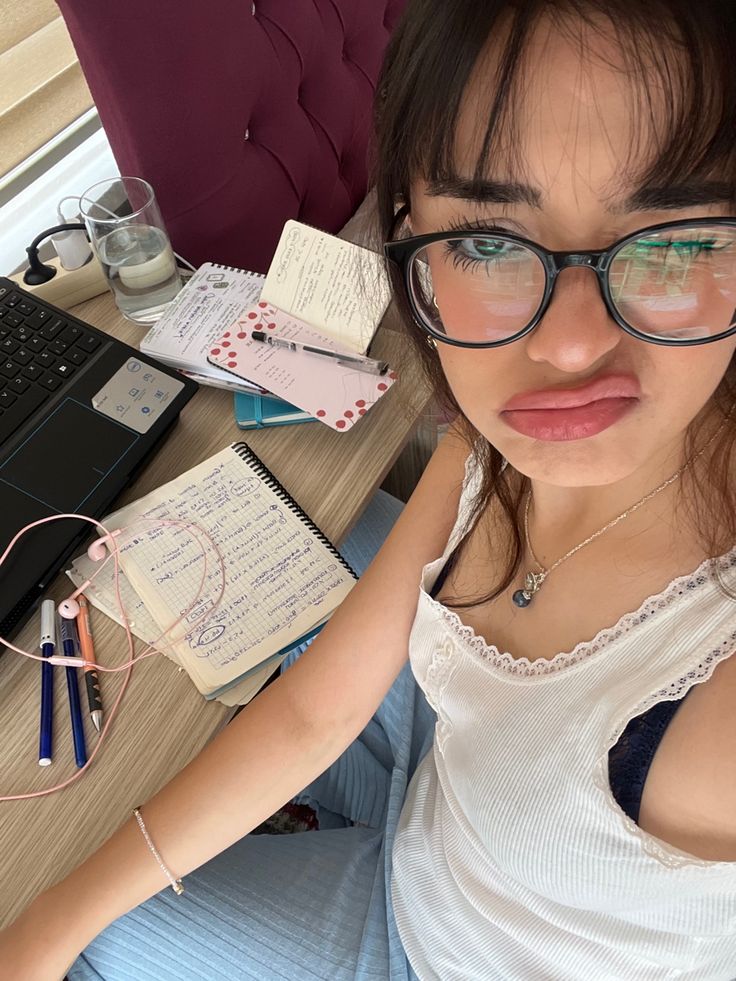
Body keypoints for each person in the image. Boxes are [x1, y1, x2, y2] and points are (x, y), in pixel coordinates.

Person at [4, 0, 736, 977]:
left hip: (431, 953)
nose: (564, 348)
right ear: (408, 239)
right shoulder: (494, 432)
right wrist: (45, 920)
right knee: (221, 531)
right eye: (484, 241)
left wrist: (59, 933)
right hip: (441, 792)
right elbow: (315, 710)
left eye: (675, 237)